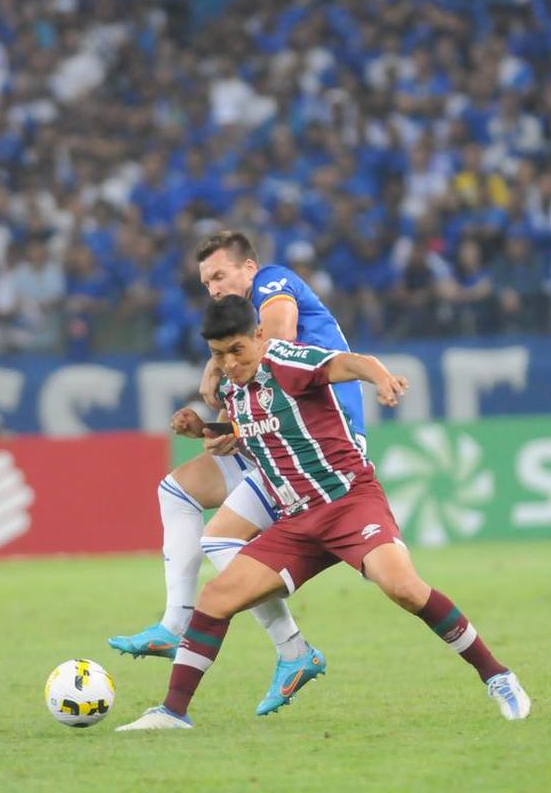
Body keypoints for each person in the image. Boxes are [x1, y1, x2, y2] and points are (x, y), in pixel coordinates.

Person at [116, 295, 530, 730]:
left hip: (349, 502)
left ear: (259, 335)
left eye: (237, 350)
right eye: (219, 355)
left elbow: (352, 363)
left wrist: (382, 378)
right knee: (216, 599)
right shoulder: (231, 387)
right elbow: (254, 430)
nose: (230, 363)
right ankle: (173, 713)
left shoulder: (288, 363)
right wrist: (202, 429)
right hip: (296, 521)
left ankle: (497, 675)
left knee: (403, 587)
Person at [108, 229, 366, 717]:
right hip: (280, 439)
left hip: (320, 449)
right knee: (177, 490)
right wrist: (219, 427)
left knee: (220, 540)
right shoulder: (237, 339)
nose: (214, 288)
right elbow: (263, 400)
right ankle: (174, 624)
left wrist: (214, 366)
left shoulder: (273, 285)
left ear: (248, 269)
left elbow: (282, 347)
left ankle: (292, 650)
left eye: (221, 275)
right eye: (206, 282)